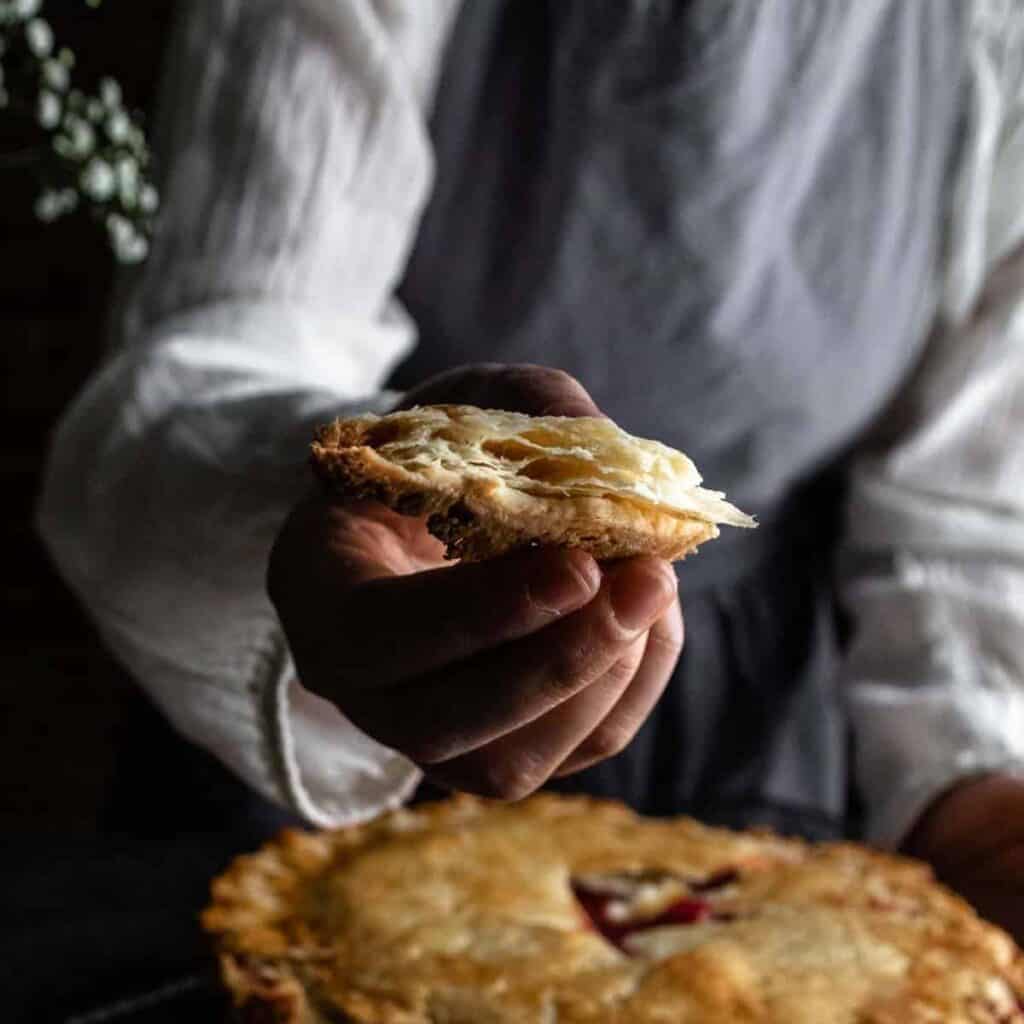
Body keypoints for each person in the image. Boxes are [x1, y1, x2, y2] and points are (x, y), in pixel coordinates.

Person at [37, 0, 1024, 946]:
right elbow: (219, 356)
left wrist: (973, 796)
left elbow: (957, 517)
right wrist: (333, 503)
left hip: (765, 732)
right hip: (338, 710)